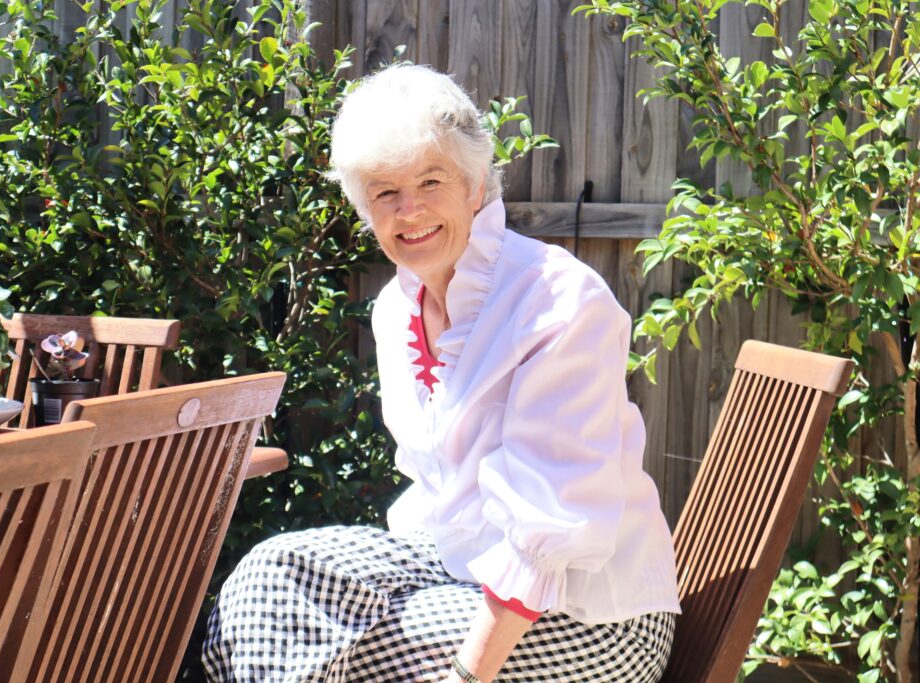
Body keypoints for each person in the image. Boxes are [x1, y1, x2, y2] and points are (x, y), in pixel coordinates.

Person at [202, 63, 681, 683]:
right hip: (459, 570)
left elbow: (549, 529)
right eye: (384, 193)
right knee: (267, 585)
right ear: (365, 209)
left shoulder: (557, 301)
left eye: (431, 181)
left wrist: (464, 675)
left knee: (363, 652)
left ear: (476, 186)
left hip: (592, 618)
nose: (410, 211)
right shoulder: (394, 308)